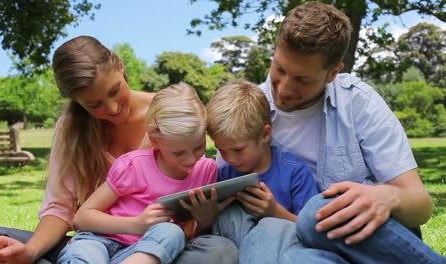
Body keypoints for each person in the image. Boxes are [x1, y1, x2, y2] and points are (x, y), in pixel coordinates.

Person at [215, 2, 444, 263]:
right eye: (279, 69)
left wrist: (389, 196)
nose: (284, 89)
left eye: (303, 80)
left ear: (333, 73)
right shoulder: (247, 111)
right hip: (304, 246)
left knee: (315, 210)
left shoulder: (360, 103)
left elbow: (421, 207)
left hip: (371, 244)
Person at [0, 35, 238, 264]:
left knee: (220, 251)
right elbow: (61, 211)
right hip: (93, 240)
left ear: (120, 66)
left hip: (154, 247)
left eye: (115, 90)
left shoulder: (171, 117)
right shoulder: (71, 129)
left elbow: (187, 203)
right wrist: (30, 252)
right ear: (77, 102)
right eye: (95, 104)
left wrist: (199, 220)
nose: (113, 108)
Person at [57, 82, 233, 264]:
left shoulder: (206, 170)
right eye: (178, 152)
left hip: (146, 252)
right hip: (99, 241)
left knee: (171, 231)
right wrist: (137, 225)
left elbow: (190, 234)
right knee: (83, 253)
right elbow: (82, 218)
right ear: (154, 141)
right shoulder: (133, 165)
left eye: (198, 147)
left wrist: (204, 219)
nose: (190, 159)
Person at [205, 80, 321, 250]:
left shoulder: (295, 172)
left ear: (265, 134)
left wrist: (275, 212)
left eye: (238, 150)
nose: (229, 158)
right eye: (221, 150)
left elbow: (313, 231)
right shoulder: (224, 175)